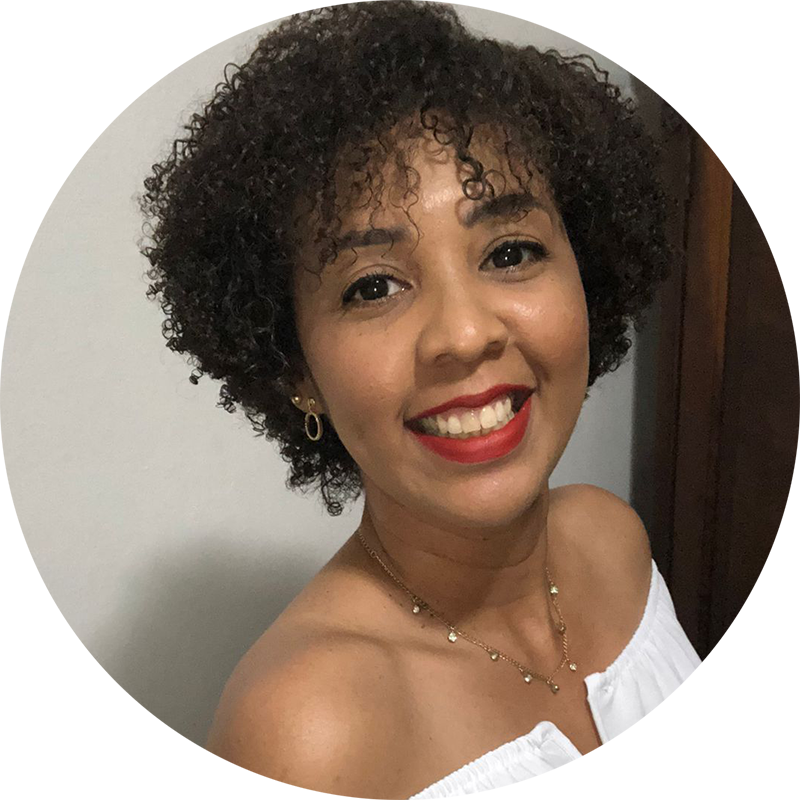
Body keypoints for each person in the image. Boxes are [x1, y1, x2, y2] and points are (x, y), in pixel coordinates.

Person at [137, 1, 701, 798]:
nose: (464, 334)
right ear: (295, 368)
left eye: (510, 251)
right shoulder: (306, 729)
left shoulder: (613, 541)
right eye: (373, 287)